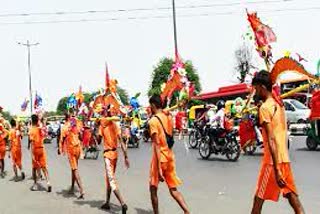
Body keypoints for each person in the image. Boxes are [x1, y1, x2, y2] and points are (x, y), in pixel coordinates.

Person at [251, 70, 305, 214]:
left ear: (262, 87)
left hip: (272, 162)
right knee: (293, 199)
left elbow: (271, 139)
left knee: (258, 200)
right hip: (284, 159)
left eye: (256, 89)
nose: (255, 92)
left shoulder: (265, 108)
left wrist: (276, 170)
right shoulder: (279, 105)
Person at [148, 95, 190, 214]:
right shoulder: (168, 117)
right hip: (170, 156)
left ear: (153, 105)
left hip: (160, 158)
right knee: (173, 188)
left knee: (153, 188)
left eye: (150, 105)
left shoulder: (153, 121)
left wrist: (159, 169)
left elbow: (156, 144)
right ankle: (186, 211)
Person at [99, 107, 129, 214]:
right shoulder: (112, 125)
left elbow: (98, 140)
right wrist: (125, 157)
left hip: (108, 155)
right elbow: (121, 142)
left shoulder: (105, 125)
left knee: (111, 180)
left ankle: (123, 203)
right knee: (109, 178)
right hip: (115, 155)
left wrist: (96, 128)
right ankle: (107, 202)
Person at [59, 112, 85, 199]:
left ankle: (81, 189)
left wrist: (60, 149)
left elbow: (61, 140)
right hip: (78, 147)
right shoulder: (76, 123)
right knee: (73, 169)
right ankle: (73, 187)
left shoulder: (64, 127)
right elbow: (81, 135)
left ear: (65, 118)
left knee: (75, 169)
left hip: (71, 149)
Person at [28, 114, 52, 192]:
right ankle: (48, 182)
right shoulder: (40, 129)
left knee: (34, 168)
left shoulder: (31, 130)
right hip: (41, 148)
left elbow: (31, 143)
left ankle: (35, 184)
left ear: (32, 120)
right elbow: (44, 134)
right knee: (44, 167)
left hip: (35, 150)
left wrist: (32, 155)